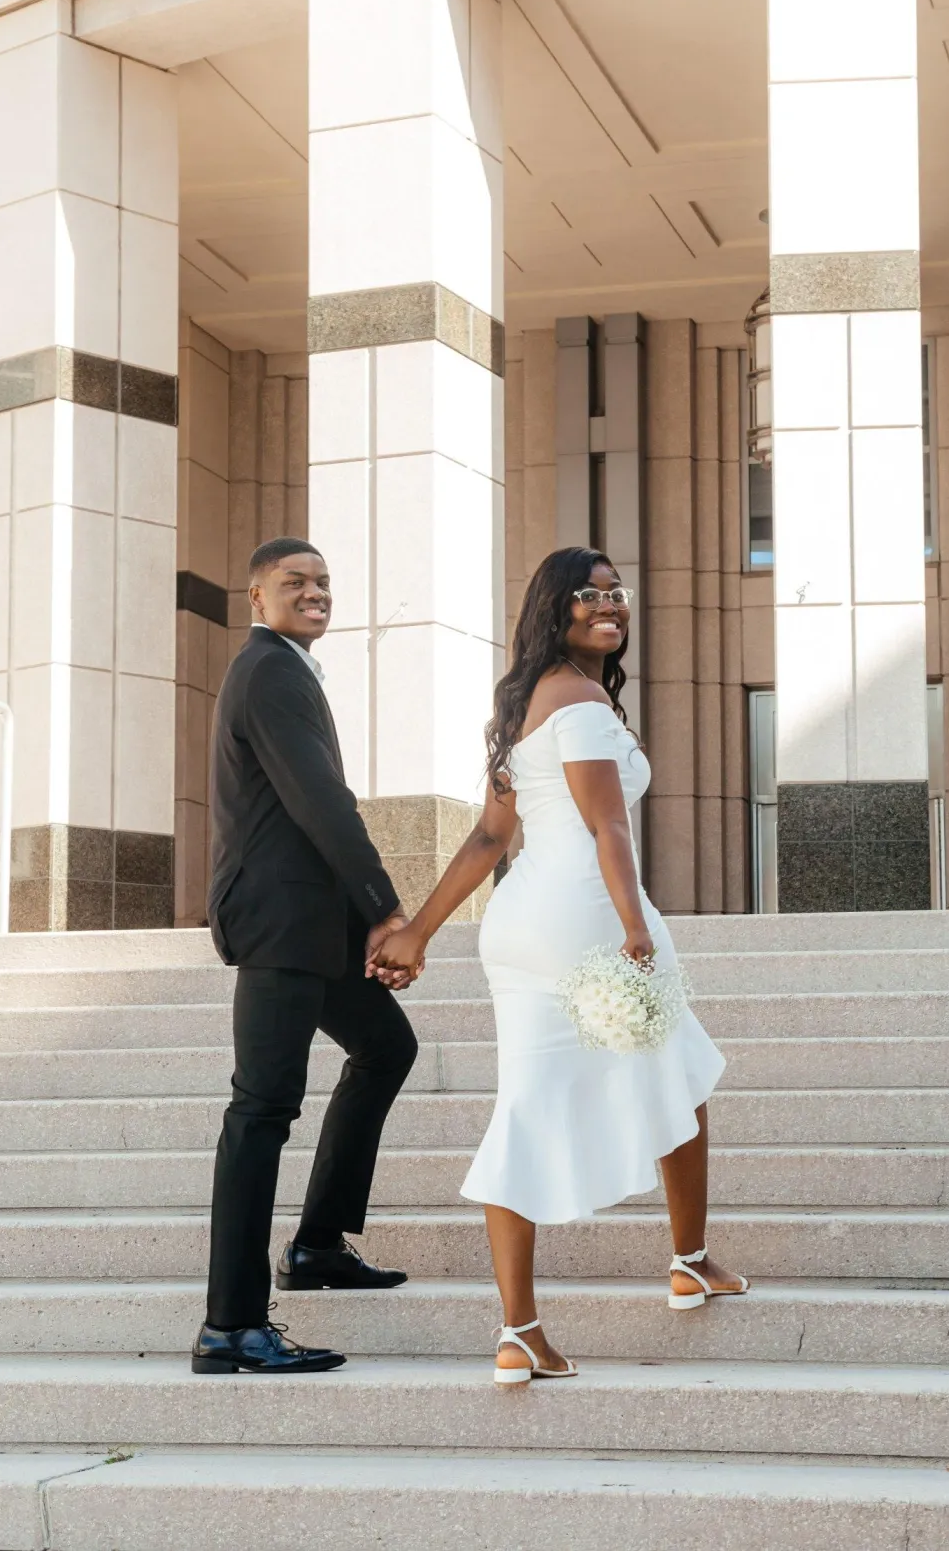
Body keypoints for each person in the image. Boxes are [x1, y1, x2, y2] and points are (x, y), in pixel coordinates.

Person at [369, 546, 748, 1383]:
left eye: (618, 593)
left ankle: (520, 1329)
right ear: (555, 607)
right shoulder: (579, 704)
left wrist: (420, 933)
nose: (610, 605)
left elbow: (489, 838)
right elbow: (610, 829)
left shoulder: (526, 705)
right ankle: (689, 1259)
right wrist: (634, 929)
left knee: (529, 1106)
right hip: (588, 917)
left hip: (519, 927)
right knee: (683, 1073)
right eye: (590, 593)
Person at [192, 536, 418, 1376]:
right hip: (279, 921)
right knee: (262, 1109)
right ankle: (231, 1324)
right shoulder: (271, 671)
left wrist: (356, 917)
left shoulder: (288, 668)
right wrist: (386, 907)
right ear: (258, 596)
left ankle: (318, 1243)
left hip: (310, 922)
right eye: (296, 582)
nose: (315, 592)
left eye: (324, 580)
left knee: (388, 1045)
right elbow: (322, 800)